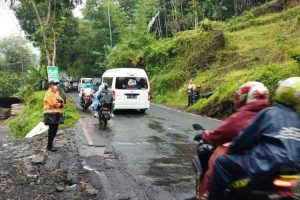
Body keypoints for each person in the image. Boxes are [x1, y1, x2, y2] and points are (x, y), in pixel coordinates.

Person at [208, 77, 300, 200]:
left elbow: (244, 138)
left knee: (222, 163)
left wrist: (232, 150)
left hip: (264, 164)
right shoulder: (297, 120)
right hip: (292, 171)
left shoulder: (269, 113)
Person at [193, 81, 270, 200]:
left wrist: (204, 135)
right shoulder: (272, 115)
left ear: (247, 98)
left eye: (239, 97)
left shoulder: (243, 115)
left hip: (245, 161)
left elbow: (219, 134)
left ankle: (205, 195)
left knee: (215, 170)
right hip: (265, 163)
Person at [43, 81, 64, 152]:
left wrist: (60, 103)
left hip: (56, 114)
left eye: (56, 84)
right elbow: (54, 103)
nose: (56, 86)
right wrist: (60, 103)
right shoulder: (49, 94)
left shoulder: (56, 93)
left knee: (55, 130)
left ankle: (51, 145)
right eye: (54, 84)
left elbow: (62, 101)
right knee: (52, 131)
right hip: (50, 114)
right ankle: (49, 146)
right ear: (50, 85)